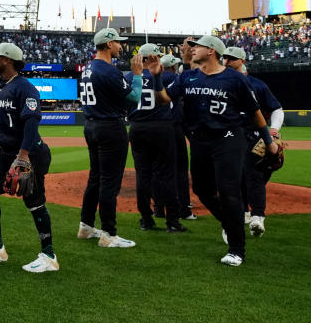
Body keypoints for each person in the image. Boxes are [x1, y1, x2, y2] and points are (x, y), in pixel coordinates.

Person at [154, 35, 274, 266]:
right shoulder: (188, 76)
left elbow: (255, 113)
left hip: (229, 138)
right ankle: (230, 223)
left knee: (229, 191)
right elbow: (164, 99)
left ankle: (237, 250)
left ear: (211, 51)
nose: (192, 49)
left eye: (197, 46)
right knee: (201, 188)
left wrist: (269, 141)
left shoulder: (235, 79)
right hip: (200, 140)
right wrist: (157, 77)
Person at [0, 42, 59, 273]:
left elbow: (31, 123)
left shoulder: (26, 88)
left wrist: (23, 158)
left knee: (35, 203)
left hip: (30, 152)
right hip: (6, 150)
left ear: (7, 60)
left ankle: (49, 256)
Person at [77, 27, 142, 249]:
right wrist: (139, 75)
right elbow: (133, 97)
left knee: (95, 177)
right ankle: (109, 233)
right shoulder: (108, 70)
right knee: (109, 182)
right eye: (118, 43)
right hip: (110, 128)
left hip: (91, 126)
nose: (121, 46)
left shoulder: (87, 69)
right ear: (108, 44)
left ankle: (86, 226)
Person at [222, 47, 283, 237]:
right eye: (224, 58)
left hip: (254, 134)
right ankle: (246, 212)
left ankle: (257, 216)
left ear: (242, 61)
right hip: (229, 135)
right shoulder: (220, 83)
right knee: (235, 177)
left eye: (231, 59)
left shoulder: (257, 85)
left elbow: (277, 109)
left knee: (255, 175)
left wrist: (273, 131)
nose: (226, 62)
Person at [128, 44, 186, 233]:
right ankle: (172, 220)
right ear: (148, 59)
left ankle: (146, 219)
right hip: (162, 127)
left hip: (137, 128)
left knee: (143, 175)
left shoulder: (129, 77)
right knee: (167, 175)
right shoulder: (166, 76)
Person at [159, 54, 196, 220]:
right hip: (175, 126)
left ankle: (159, 208)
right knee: (181, 169)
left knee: (160, 169)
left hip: (157, 126)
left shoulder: (155, 77)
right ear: (174, 66)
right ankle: (184, 209)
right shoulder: (176, 77)